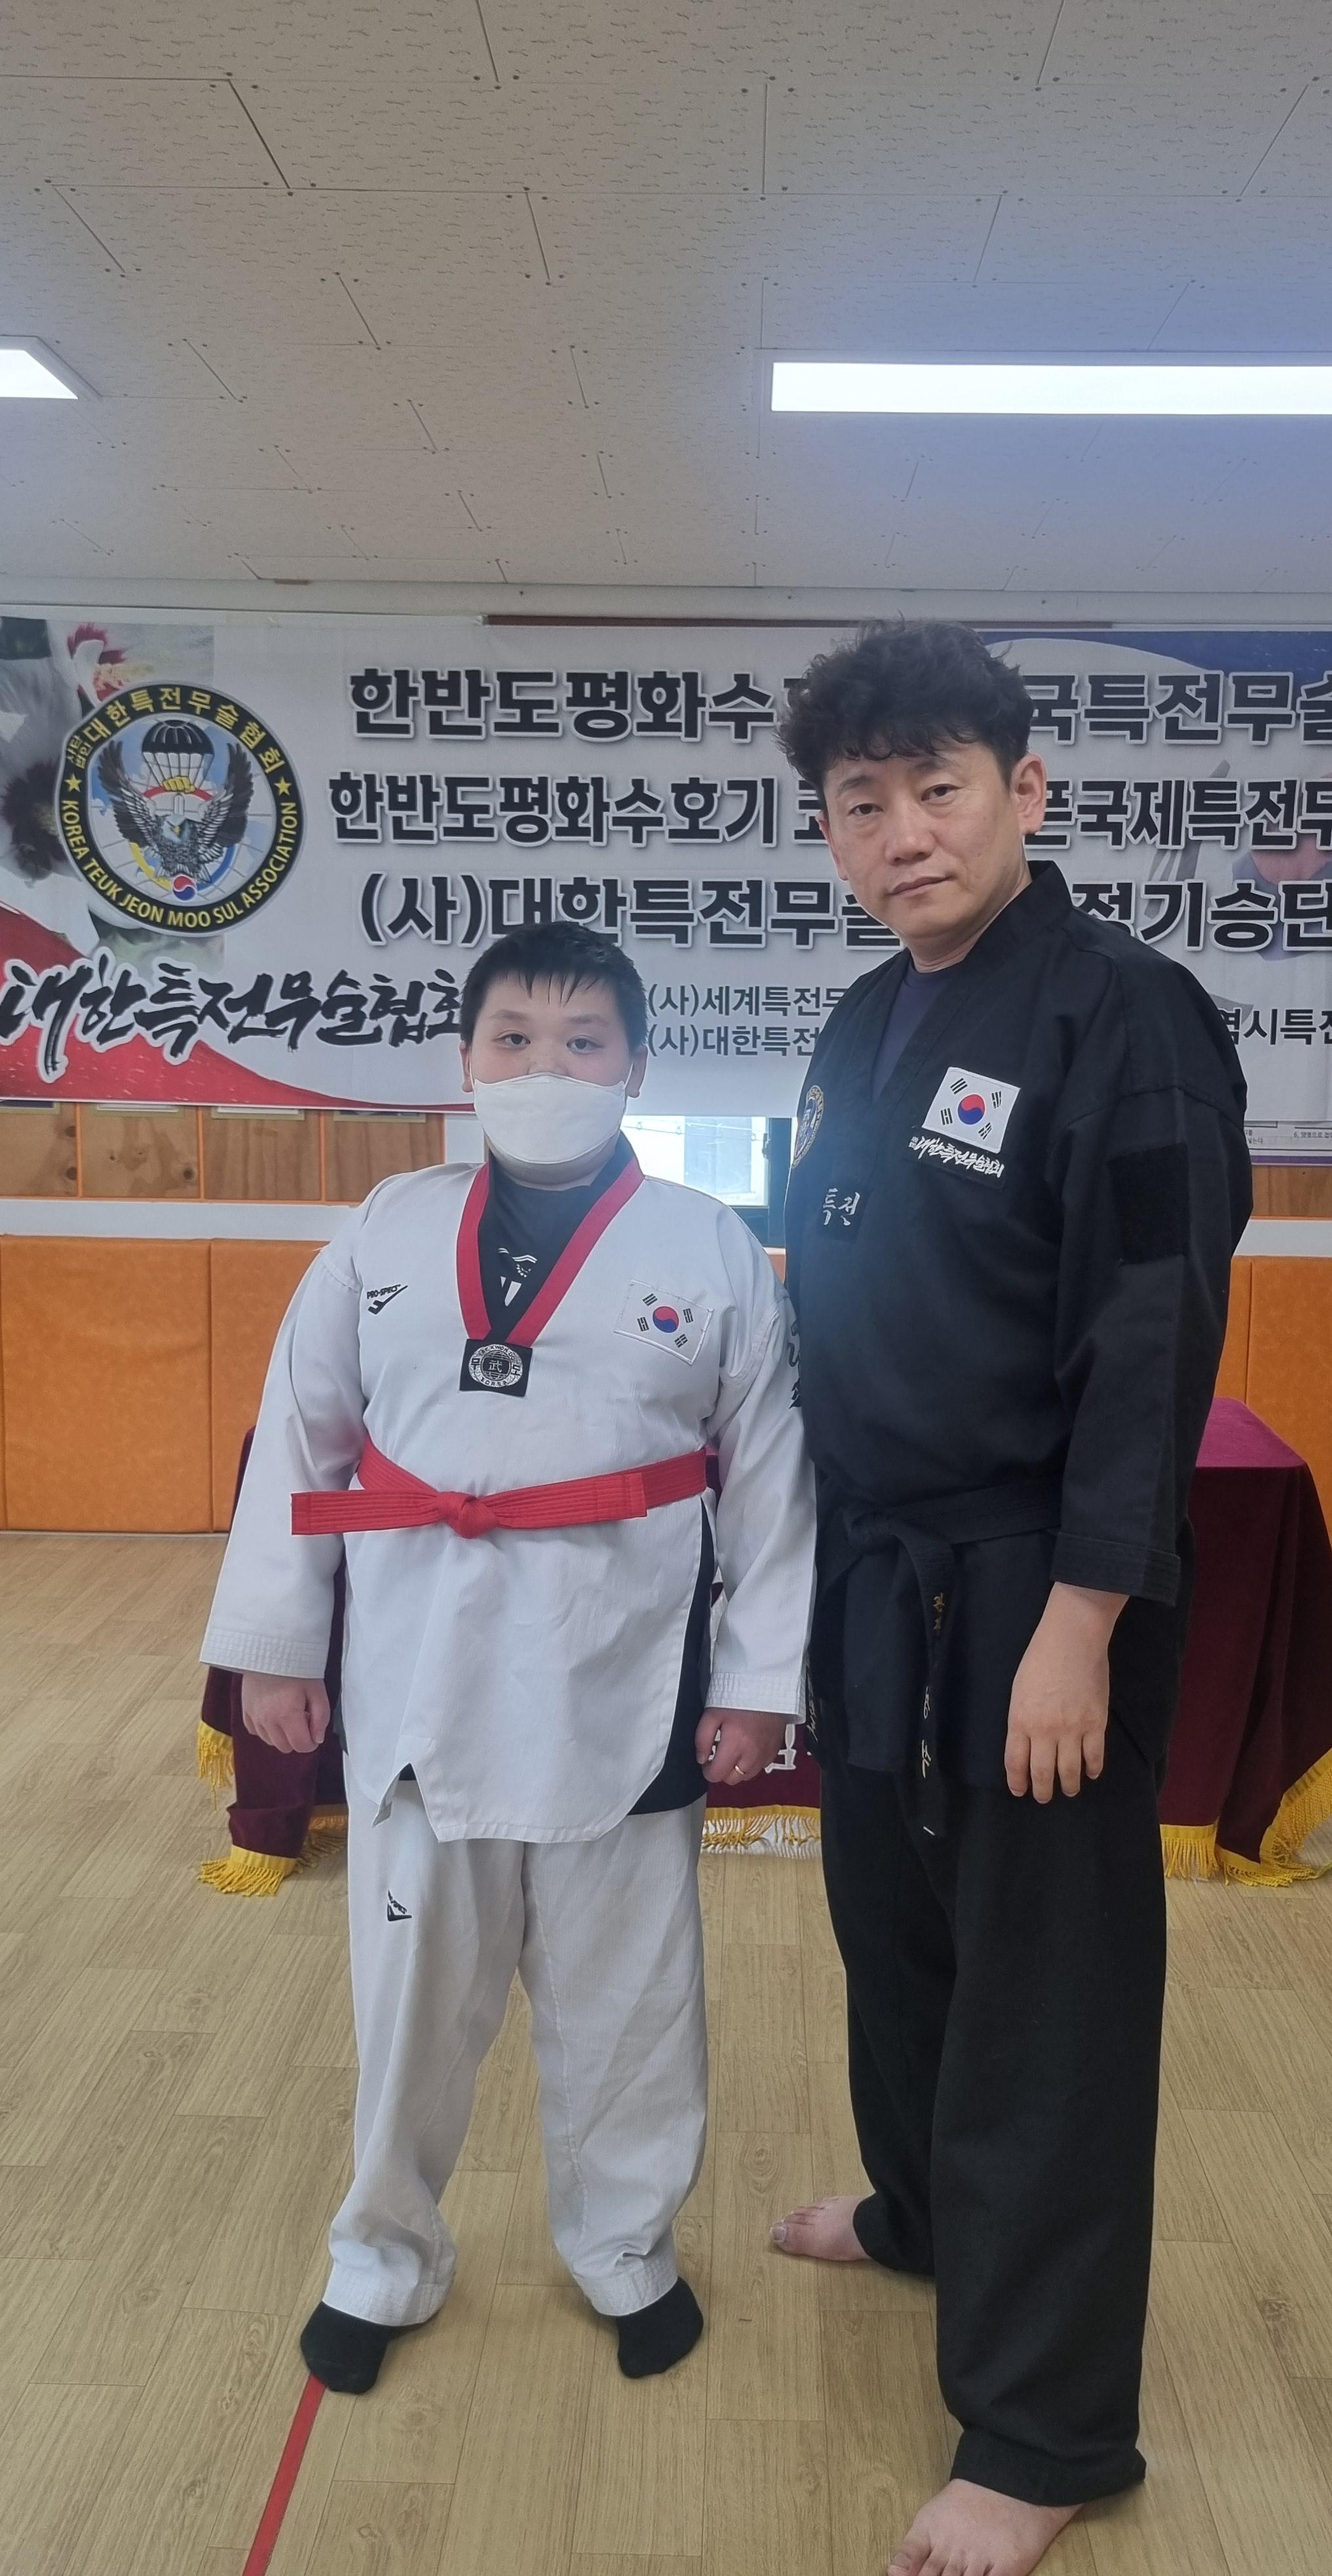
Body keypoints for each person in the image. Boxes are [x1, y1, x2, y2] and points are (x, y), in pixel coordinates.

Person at [769, 623, 1250, 2576]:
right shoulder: (862, 1021)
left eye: (938, 789)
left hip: (1039, 1578)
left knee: (1047, 1994)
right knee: (895, 1928)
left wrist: (1082, 1621)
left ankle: (1045, 2434)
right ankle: (922, 2213)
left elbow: (1152, 1337)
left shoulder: (1125, 1015)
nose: (902, 834)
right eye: (860, 803)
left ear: (1026, 791)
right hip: (880, 1568)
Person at [202, 921, 814, 2392]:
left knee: (631, 2005)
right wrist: (278, 1648)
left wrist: (756, 1684)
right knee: (412, 2003)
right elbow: (301, 1439)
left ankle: (626, 2250)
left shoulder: (710, 1245)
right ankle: (381, 2254)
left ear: (638, 1066)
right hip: (426, 1672)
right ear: (466, 1062)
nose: (549, 1066)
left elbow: (771, 1481)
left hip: (627, 1674)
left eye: (585, 1042)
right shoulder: (385, 1230)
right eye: (515, 1040)